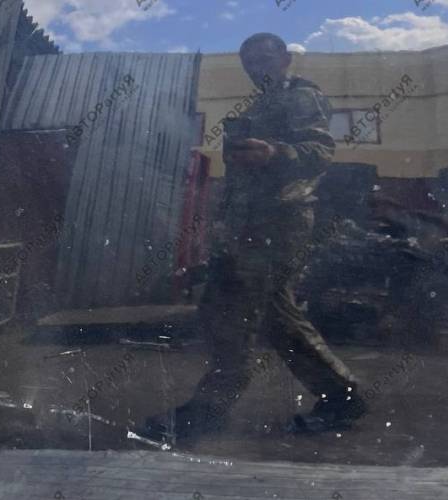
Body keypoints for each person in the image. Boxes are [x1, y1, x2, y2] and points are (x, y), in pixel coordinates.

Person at [145, 33, 366, 442]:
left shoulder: (300, 96)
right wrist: (224, 224)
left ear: (285, 58)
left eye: (264, 58)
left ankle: (213, 408)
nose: (255, 67)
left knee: (250, 311)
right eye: (248, 61)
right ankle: (338, 397)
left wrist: (275, 152)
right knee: (236, 309)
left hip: (279, 221)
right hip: (247, 225)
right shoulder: (260, 104)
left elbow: (321, 151)